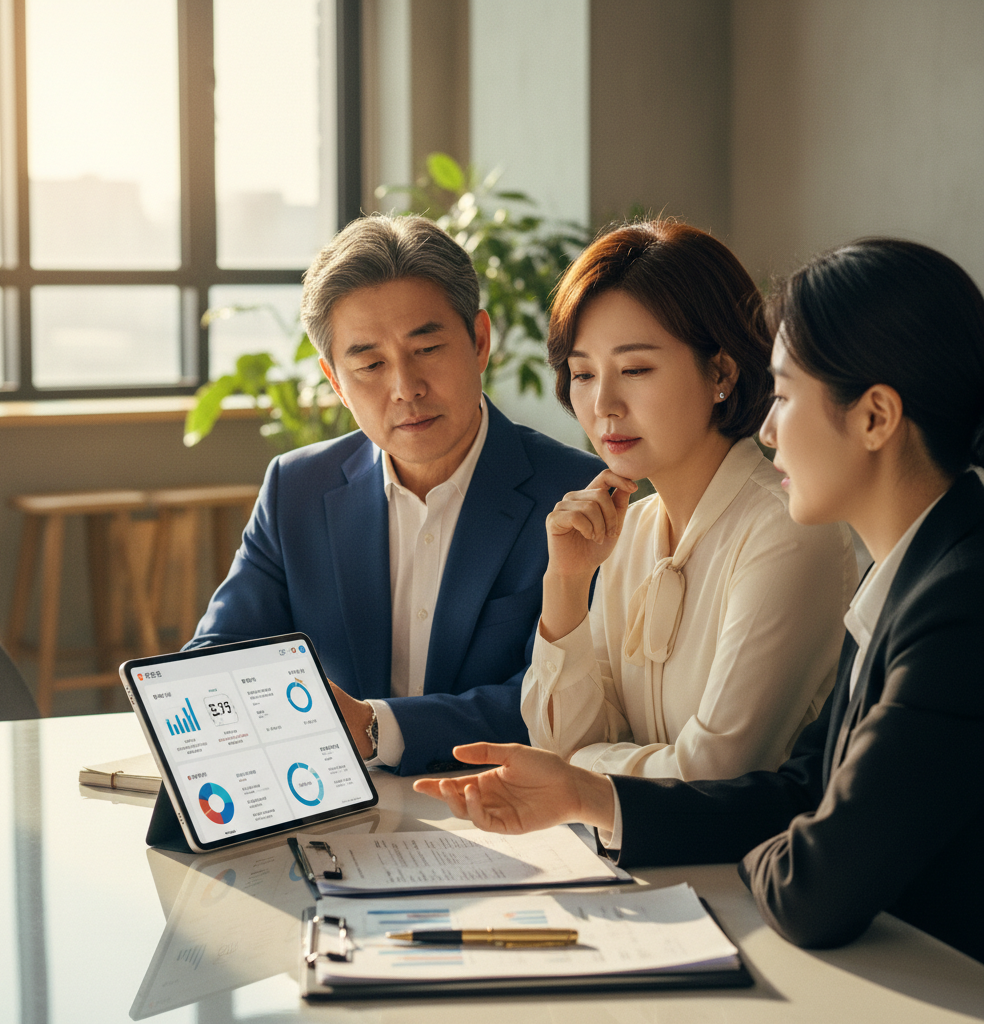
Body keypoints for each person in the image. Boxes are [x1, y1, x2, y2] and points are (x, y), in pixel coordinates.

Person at [415, 237, 984, 963]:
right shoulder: (905, 577)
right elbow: (795, 793)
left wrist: (610, 784)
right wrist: (590, 788)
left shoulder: (952, 600)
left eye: (783, 397)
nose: (770, 431)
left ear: (874, 418)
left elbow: (804, 864)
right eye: (582, 374)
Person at [187, 214, 602, 775]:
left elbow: (565, 700)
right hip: (335, 812)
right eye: (370, 364)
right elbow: (218, 660)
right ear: (335, 380)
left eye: (427, 349)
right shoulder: (296, 490)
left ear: (479, 341)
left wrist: (376, 727)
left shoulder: (576, 494)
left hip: (506, 813)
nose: (405, 389)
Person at [522, 220, 855, 780]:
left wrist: (581, 769)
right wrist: (567, 582)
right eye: (582, 373)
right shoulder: (627, 532)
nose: (603, 403)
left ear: (721, 370)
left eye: (635, 369)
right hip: (634, 863)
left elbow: (714, 771)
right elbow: (557, 746)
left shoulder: (786, 528)